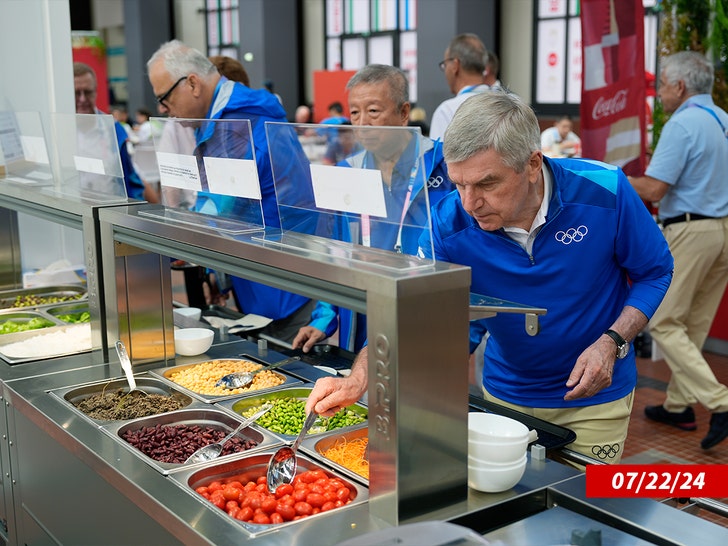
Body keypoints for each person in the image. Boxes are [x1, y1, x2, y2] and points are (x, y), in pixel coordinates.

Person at [306, 90, 673, 465]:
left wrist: (612, 342)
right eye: (459, 184)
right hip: (505, 395)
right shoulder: (447, 223)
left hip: (596, 399)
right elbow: (411, 312)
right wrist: (359, 378)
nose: (469, 203)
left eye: (485, 184)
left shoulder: (605, 190)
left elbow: (655, 272)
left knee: (586, 513)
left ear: (532, 164)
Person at [146, 40, 314, 343]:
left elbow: (220, 206)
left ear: (193, 84)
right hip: (262, 267)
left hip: (282, 276)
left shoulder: (237, 122)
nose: (163, 109)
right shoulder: (221, 119)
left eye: (164, 98)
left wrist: (175, 241)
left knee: (284, 365)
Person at [293, 64, 454, 354]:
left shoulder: (443, 164)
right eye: (355, 112)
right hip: (365, 309)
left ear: (404, 113)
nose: (363, 123)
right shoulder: (348, 171)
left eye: (374, 111)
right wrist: (324, 317)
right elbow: (336, 251)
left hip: (427, 307)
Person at [628, 51, 728, 450]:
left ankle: (720, 402)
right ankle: (678, 405)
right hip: (723, 231)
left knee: (664, 320)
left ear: (680, 86)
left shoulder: (682, 124)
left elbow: (654, 190)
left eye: (663, 86)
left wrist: (610, 175)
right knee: (693, 323)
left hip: (691, 229)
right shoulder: (723, 120)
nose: (660, 93)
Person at [74, 62, 157, 203]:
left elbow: (132, 177)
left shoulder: (112, 129)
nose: (82, 99)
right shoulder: (60, 130)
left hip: (110, 210)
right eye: (76, 93)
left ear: (96, 91)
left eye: (87, 92)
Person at [430, 33, 493, 140]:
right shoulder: (510, 103)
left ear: (455, 65)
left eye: (445, 65)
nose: (445, 71)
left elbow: (439, 155)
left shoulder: (447, 111)